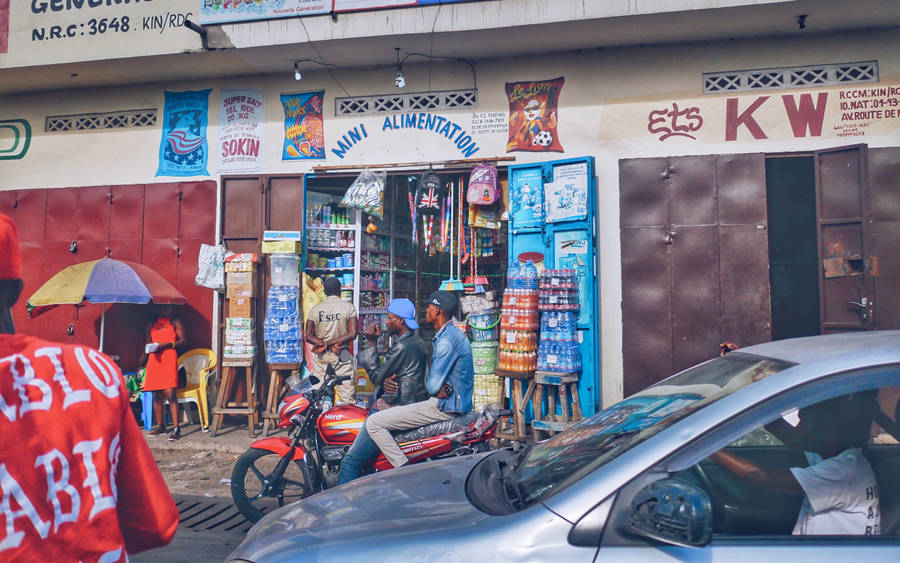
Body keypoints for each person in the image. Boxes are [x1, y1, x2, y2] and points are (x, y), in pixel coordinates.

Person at [0, 213, 179, 560]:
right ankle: (163, 425)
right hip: (153, 367)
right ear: (16, 291)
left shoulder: (166, 326)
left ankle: (167, 425)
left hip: (166, 364)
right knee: (157, 397)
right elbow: (153, 524)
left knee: (164, 397)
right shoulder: (93, 371)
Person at [709, 394, 880, 535]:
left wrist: (708, 447)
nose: (798, 427)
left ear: (826, 427)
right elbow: (784, 432)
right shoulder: (838, 456)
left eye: (804, 422)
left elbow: (765, 478)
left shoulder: (841, 472)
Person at [365, 291, 474, 470]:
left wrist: (371, 343)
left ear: (437, 310)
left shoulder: (446, 340)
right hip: (448, 402)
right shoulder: (448, 335)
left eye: (429, 308)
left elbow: (432, 385)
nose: (426, 311)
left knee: (374, 423)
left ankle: (403, 470)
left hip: (444, 406)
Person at [337, 298, 428, 484]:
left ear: (401, 321)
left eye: (390, 318)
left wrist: (371, 342)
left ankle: (342, 507)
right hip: (412, 401)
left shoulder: (402, 346)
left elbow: (377, 377)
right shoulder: (417, 341)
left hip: (400, 405)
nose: (387, 321)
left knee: (350, 462)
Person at [306, 276, 358, 405]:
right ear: (340, 291)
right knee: (347, 397)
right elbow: (353, 333)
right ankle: (344, 423)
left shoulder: (315, 310)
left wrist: (325, 343)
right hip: (342, 355)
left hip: (322, 357)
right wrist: (332, 343)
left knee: (317, 394)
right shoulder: (349, 308)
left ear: (324, 291)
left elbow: (308, 336)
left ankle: (316, 422)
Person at [139, 303, 187, 441]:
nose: (167, 310)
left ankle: (177, 428)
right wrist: (141, 360)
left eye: (169, 307)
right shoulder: (151, 324)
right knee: (155, 394)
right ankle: (161, 426)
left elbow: (184, 341)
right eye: (164, 307)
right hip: (154, 359)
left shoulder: (175, 322)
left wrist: (168, 344)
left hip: (169, 357)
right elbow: (147, 344)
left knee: (171, 394)